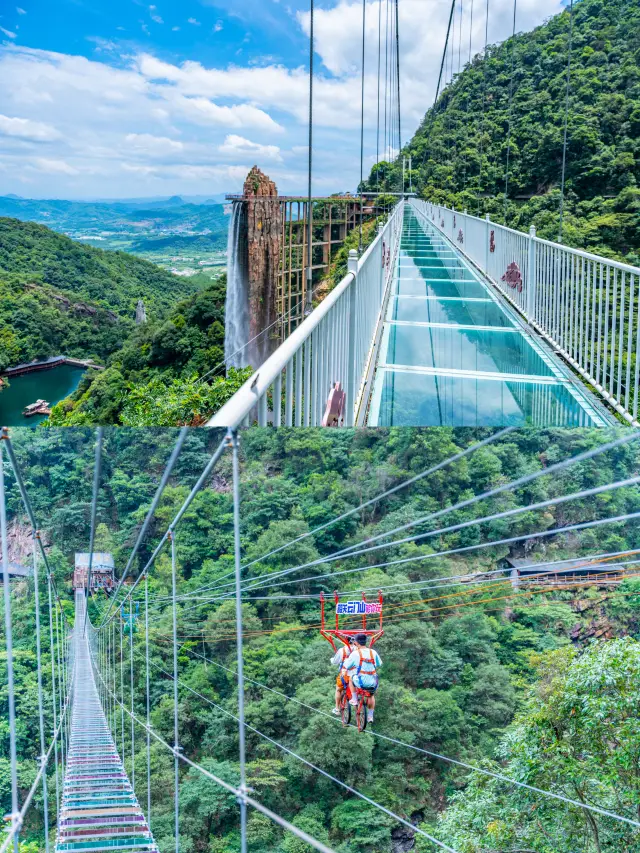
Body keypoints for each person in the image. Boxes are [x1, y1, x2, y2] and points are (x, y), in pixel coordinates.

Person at [345, 633, 382, 724]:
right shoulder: (373, 652)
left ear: (356, 643)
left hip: (361, 681)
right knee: (371, 695)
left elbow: (347, 666)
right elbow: (378, 664)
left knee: (351, 678)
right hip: (373, 681)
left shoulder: (355, 653)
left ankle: (354, 699)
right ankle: (370, 716)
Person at [330, 638, 354, 715]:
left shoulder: (342, 650)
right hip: (357, 674)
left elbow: (335, 662)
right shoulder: (358, 649)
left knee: (338, 689)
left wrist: (332, 660)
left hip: (345, 674)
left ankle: (337, 708)